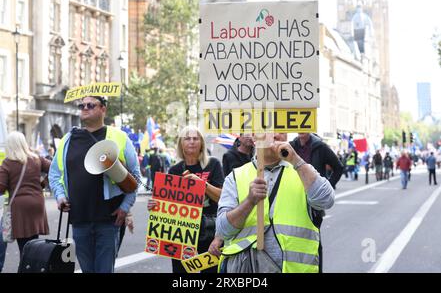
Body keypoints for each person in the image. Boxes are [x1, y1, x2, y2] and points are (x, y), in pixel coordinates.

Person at [216, 133, 335, 273]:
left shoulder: (302, 170)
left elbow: (326, 200)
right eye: (269, 128)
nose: (276, 134)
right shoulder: (236, 177)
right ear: (254, 138)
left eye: (281, 129)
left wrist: (295, 160)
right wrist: (249, 202)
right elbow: (224, 230)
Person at [49, 96, 140, 273]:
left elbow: (135, 177)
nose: (85, 108)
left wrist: (125, 206)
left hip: (109, 219)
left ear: (103, 109)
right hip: (79, 220)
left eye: (90, 105)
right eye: (82, 105)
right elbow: (54, 174)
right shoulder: (68, 139)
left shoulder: (119, 137)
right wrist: (60, 197)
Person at [148, 126, 224, 273]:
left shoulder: (213, 164)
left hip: (209, 230)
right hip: (181, 232)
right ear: (181, 144)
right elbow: (168, 205)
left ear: (201, 143)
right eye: (187, 138)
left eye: (196, 138)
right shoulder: (174, 170)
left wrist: (202, 184)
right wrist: (156, 205)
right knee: (180, 272)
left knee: (211, 271)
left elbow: (222, 197)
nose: (192, 142)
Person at [289, 132, 342, 273]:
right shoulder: (291, 146)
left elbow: (338, 167)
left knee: (314, 241)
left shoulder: (320, 147)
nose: (301, 130)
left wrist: (327, 186)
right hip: (293, 200)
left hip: (314, 204)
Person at [0, 132, 51, 261]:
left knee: (23, 248)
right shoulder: (36, 159)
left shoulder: (8, 163)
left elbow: (1, 187)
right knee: (32, 244)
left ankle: (27, 267)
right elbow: (54, 168)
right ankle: (32, 266)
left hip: (19, 207)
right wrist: (43, 184)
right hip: (37, 204)